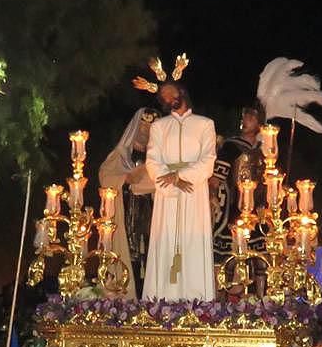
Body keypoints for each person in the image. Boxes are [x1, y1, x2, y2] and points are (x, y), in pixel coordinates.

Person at [142, 81, 217, 301]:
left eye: (169, 93)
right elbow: (152, 160)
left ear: (181, 91)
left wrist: (180, 176)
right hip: (167, 193)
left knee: (194, 240)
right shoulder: (159, 127)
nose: (166, 98)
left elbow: (208, 160)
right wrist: (173, 180)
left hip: (194, 191)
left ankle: (197, 299)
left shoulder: (205, 124)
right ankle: (161, 300)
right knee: (164, 239)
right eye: (162, 97)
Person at [98, 106, 160, 298]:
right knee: (131, 256)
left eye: (150, 128)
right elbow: (105, 175)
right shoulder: (121, 155)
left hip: (151, 212)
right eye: (142, 126)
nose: (145, 132)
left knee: (150, 256)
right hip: (128, 213)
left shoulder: (158, 157)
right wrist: (126, 179)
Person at [210, 106, 265, 265]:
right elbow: (216, 178)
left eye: (251, 117)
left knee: (261, 260)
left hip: (257, 212)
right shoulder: (230, 146)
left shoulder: (264, 152)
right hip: (233, 209)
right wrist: (212, 195)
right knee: (228, 261)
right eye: (244, 116)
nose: (245, 119)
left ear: (260, 124)